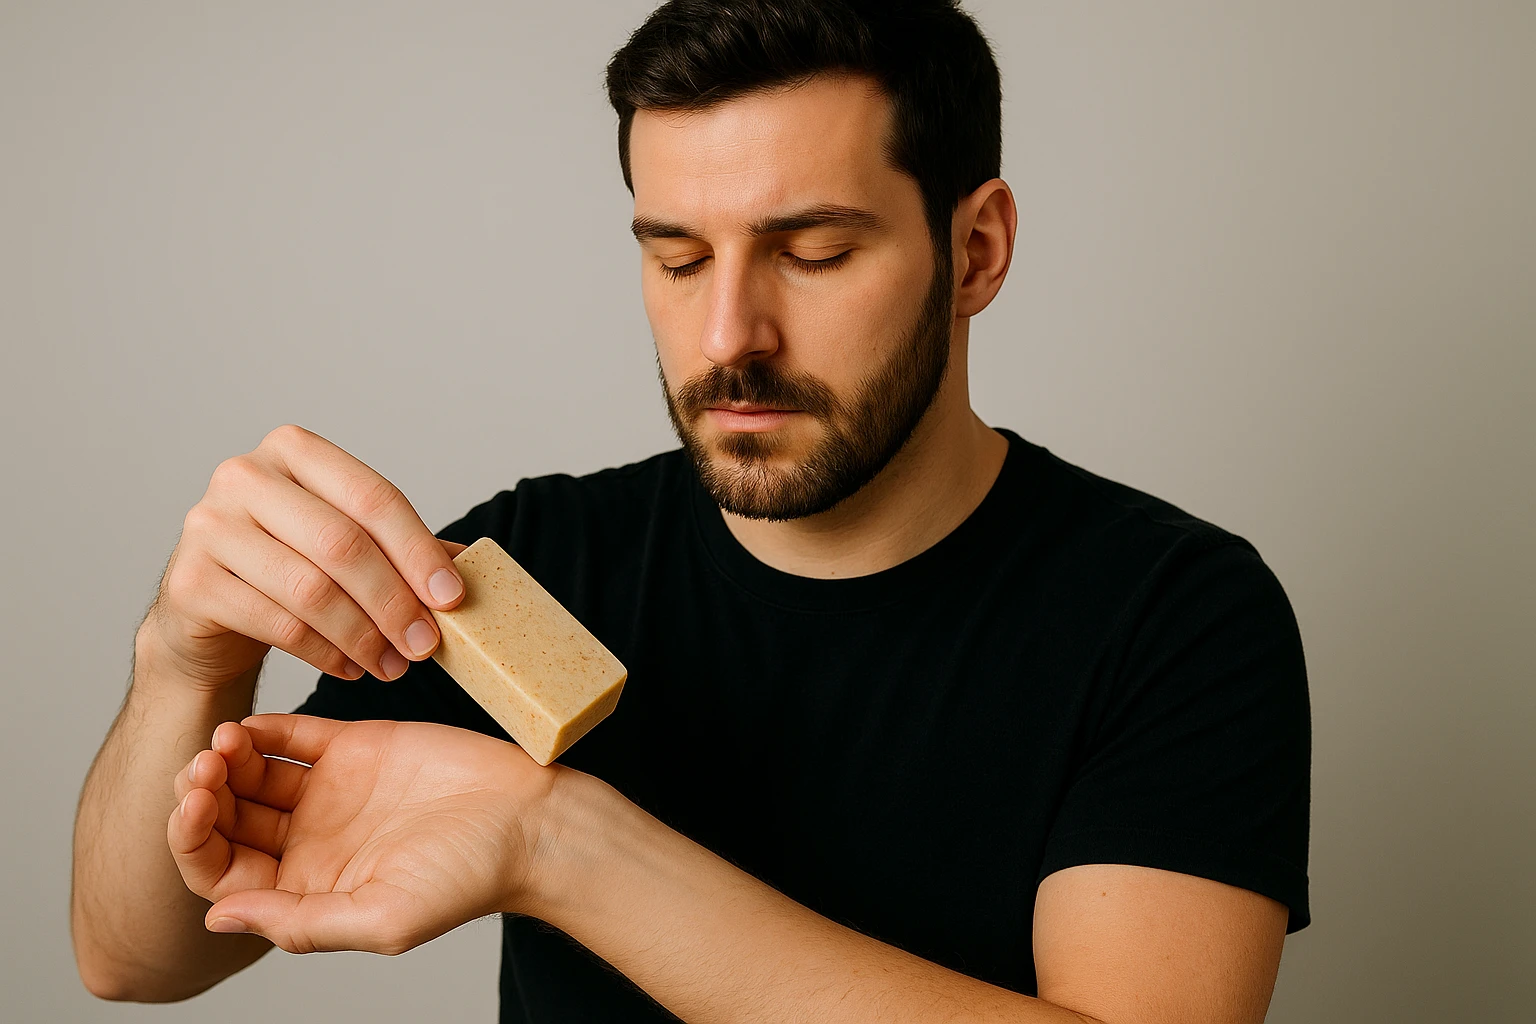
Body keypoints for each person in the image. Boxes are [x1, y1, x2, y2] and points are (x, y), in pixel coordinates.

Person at [71, 2, 1311, 1021]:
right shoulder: (528, 568)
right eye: (676, 257)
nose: (729, 338)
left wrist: (559, 847)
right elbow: (139, 958)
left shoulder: (1173, 614)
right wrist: (189, 658)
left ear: (976, 249)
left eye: (813, 252)